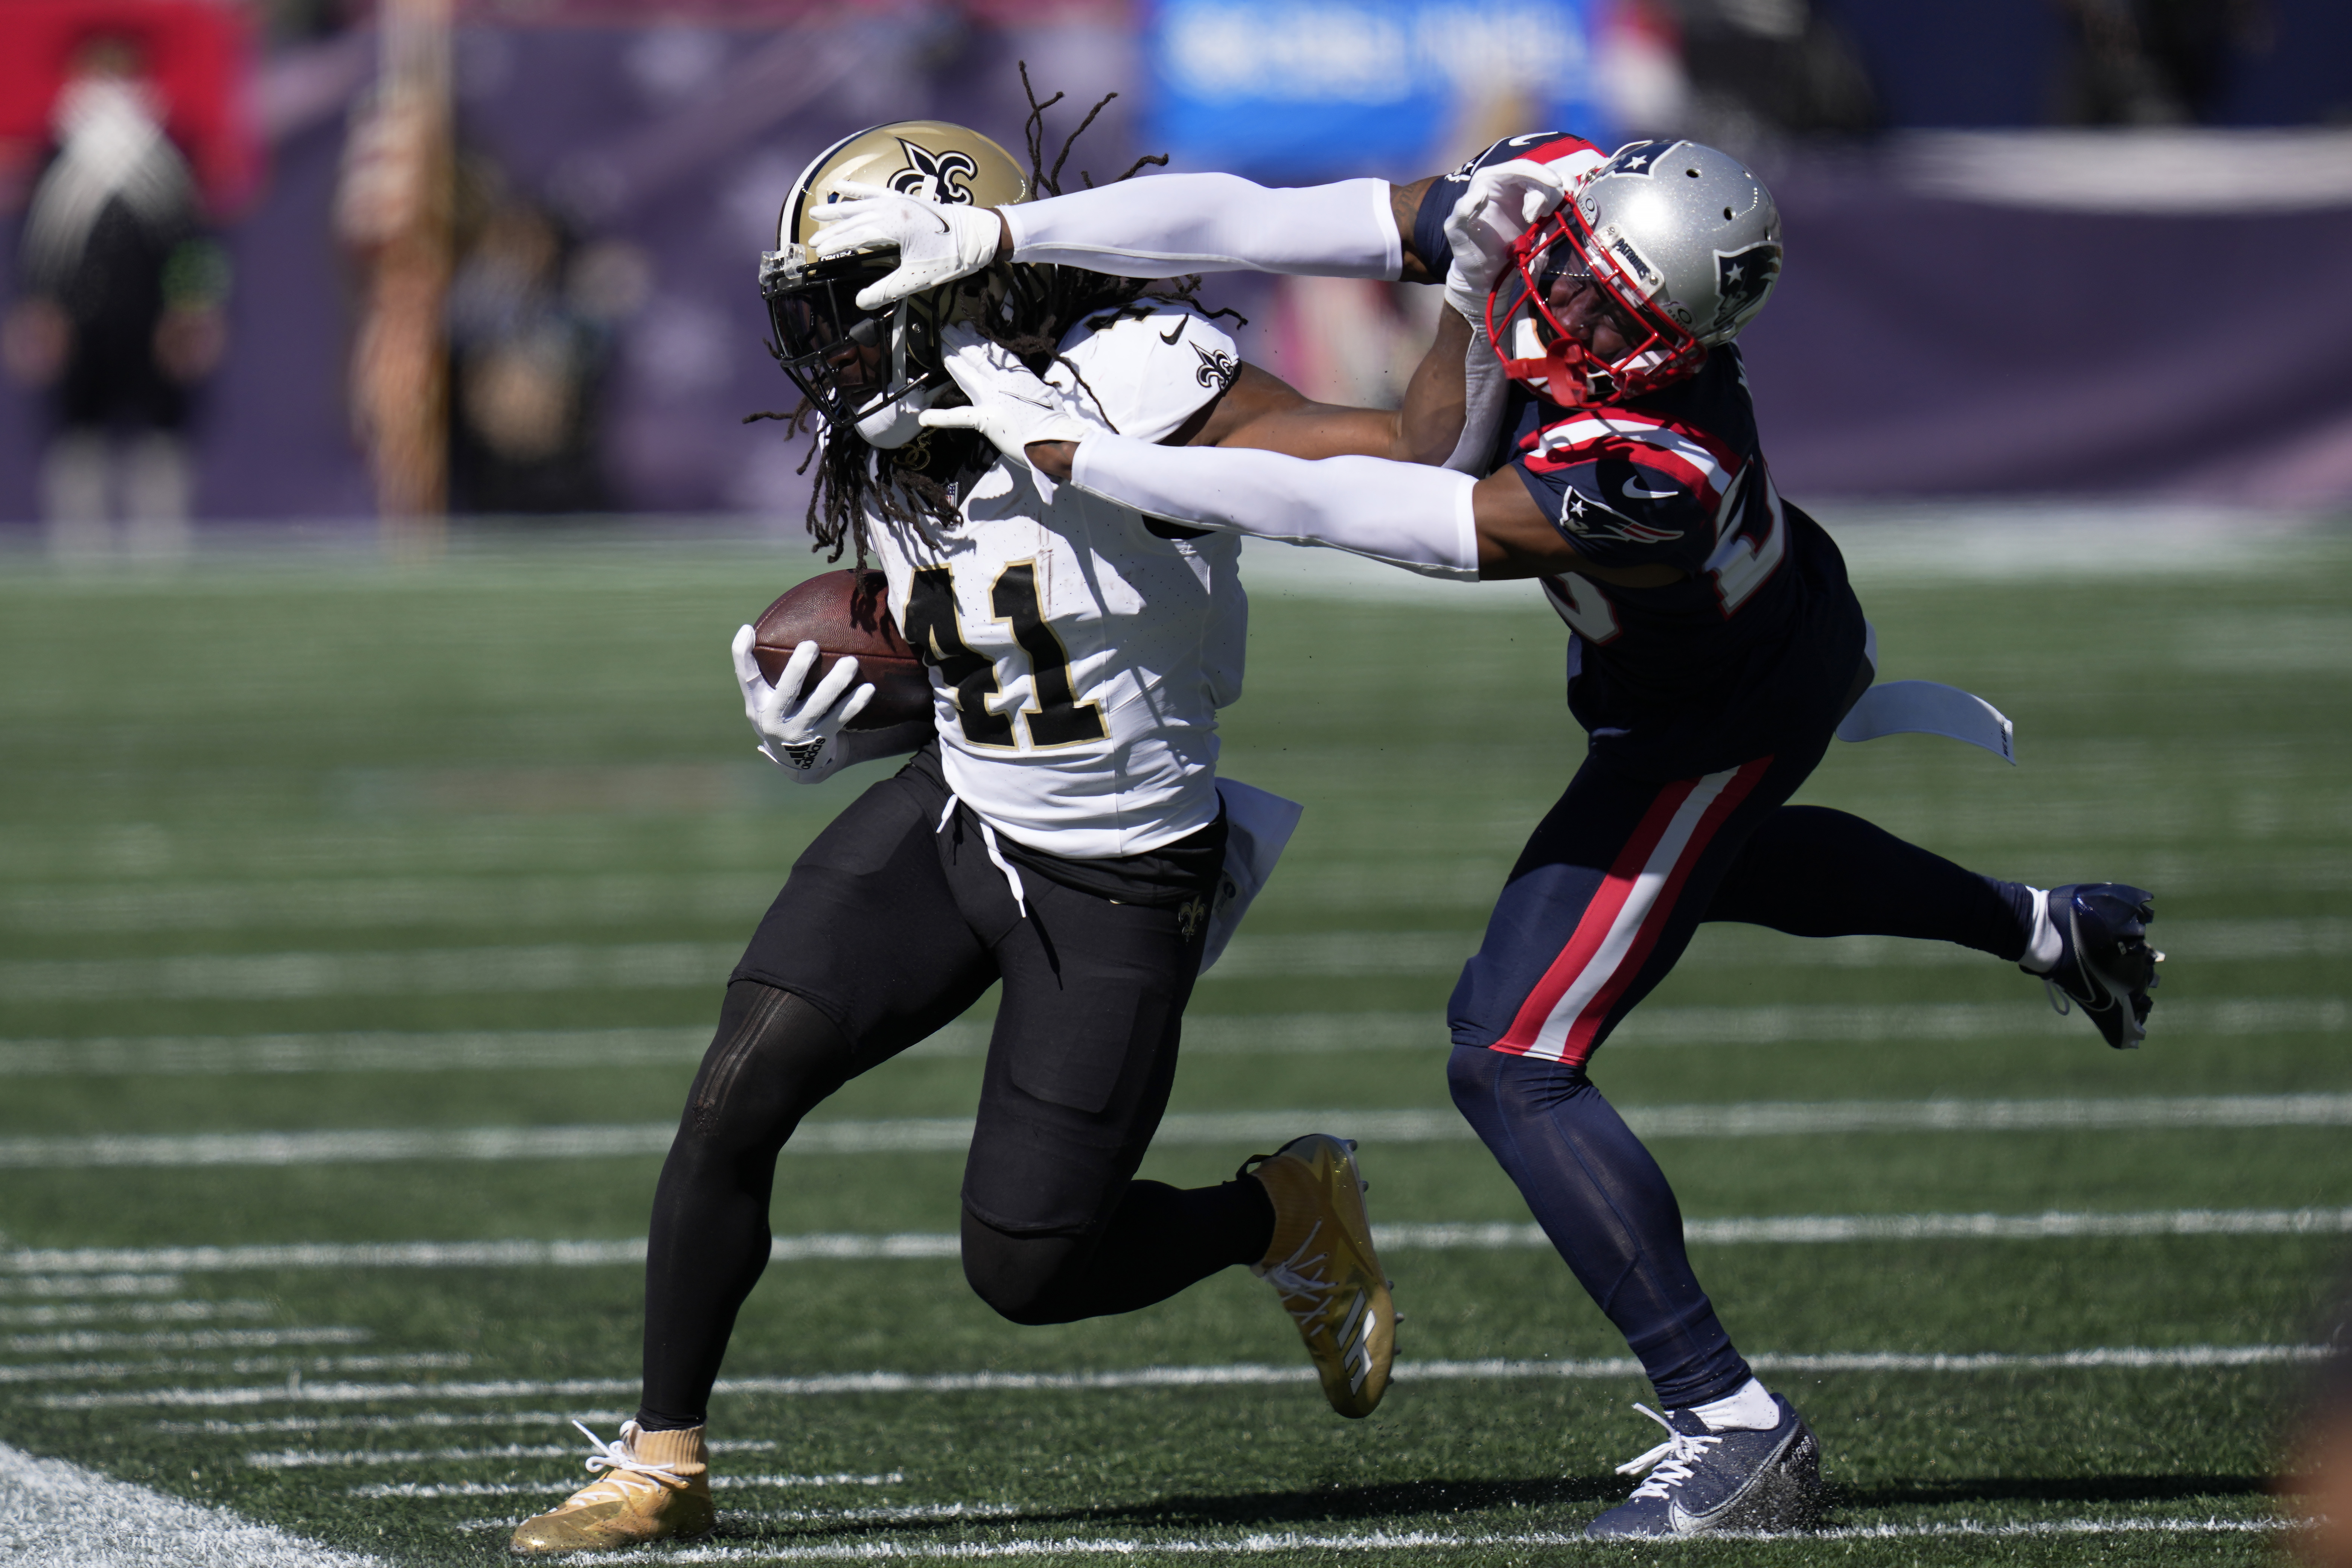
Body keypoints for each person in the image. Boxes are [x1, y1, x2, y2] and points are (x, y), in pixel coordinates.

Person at [836, 130, 2165, 1538]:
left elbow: (1371, 507)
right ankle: (2050, 928)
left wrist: (1079, 453)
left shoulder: (1656, 465)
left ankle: (1732, 1421)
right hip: (1709, 659)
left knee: (1513, 1051)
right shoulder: (1552, 190)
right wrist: (1011, 232)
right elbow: (1254, 213)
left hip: (1717, 711)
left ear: (1677, 342)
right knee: (1707, 871)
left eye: (1612, 318)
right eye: (1575, 281)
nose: (1571, 317)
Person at [506, 117, 1400, 1556]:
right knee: (735, 1092)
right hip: (958, 808)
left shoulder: (1137, 379)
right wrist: (835, 724)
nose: (824, 340)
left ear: (954, 280)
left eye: (850, 299)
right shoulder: (901, 418)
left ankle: (1280, 1211)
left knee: (1030, 1263)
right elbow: (985, 636)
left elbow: (1373, 467)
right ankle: (661, 1458)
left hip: (1112, 872)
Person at [3, 35, 228, 551]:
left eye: (119, 73)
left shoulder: (170, 148)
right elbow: (35, 239)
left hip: (153, 316)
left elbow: (193, 238)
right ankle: (81, 549)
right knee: (78, 434)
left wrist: (193, 307)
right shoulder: (56, 149)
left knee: (162, 432)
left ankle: (161, 547)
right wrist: (38, 309)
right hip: (81, 315)